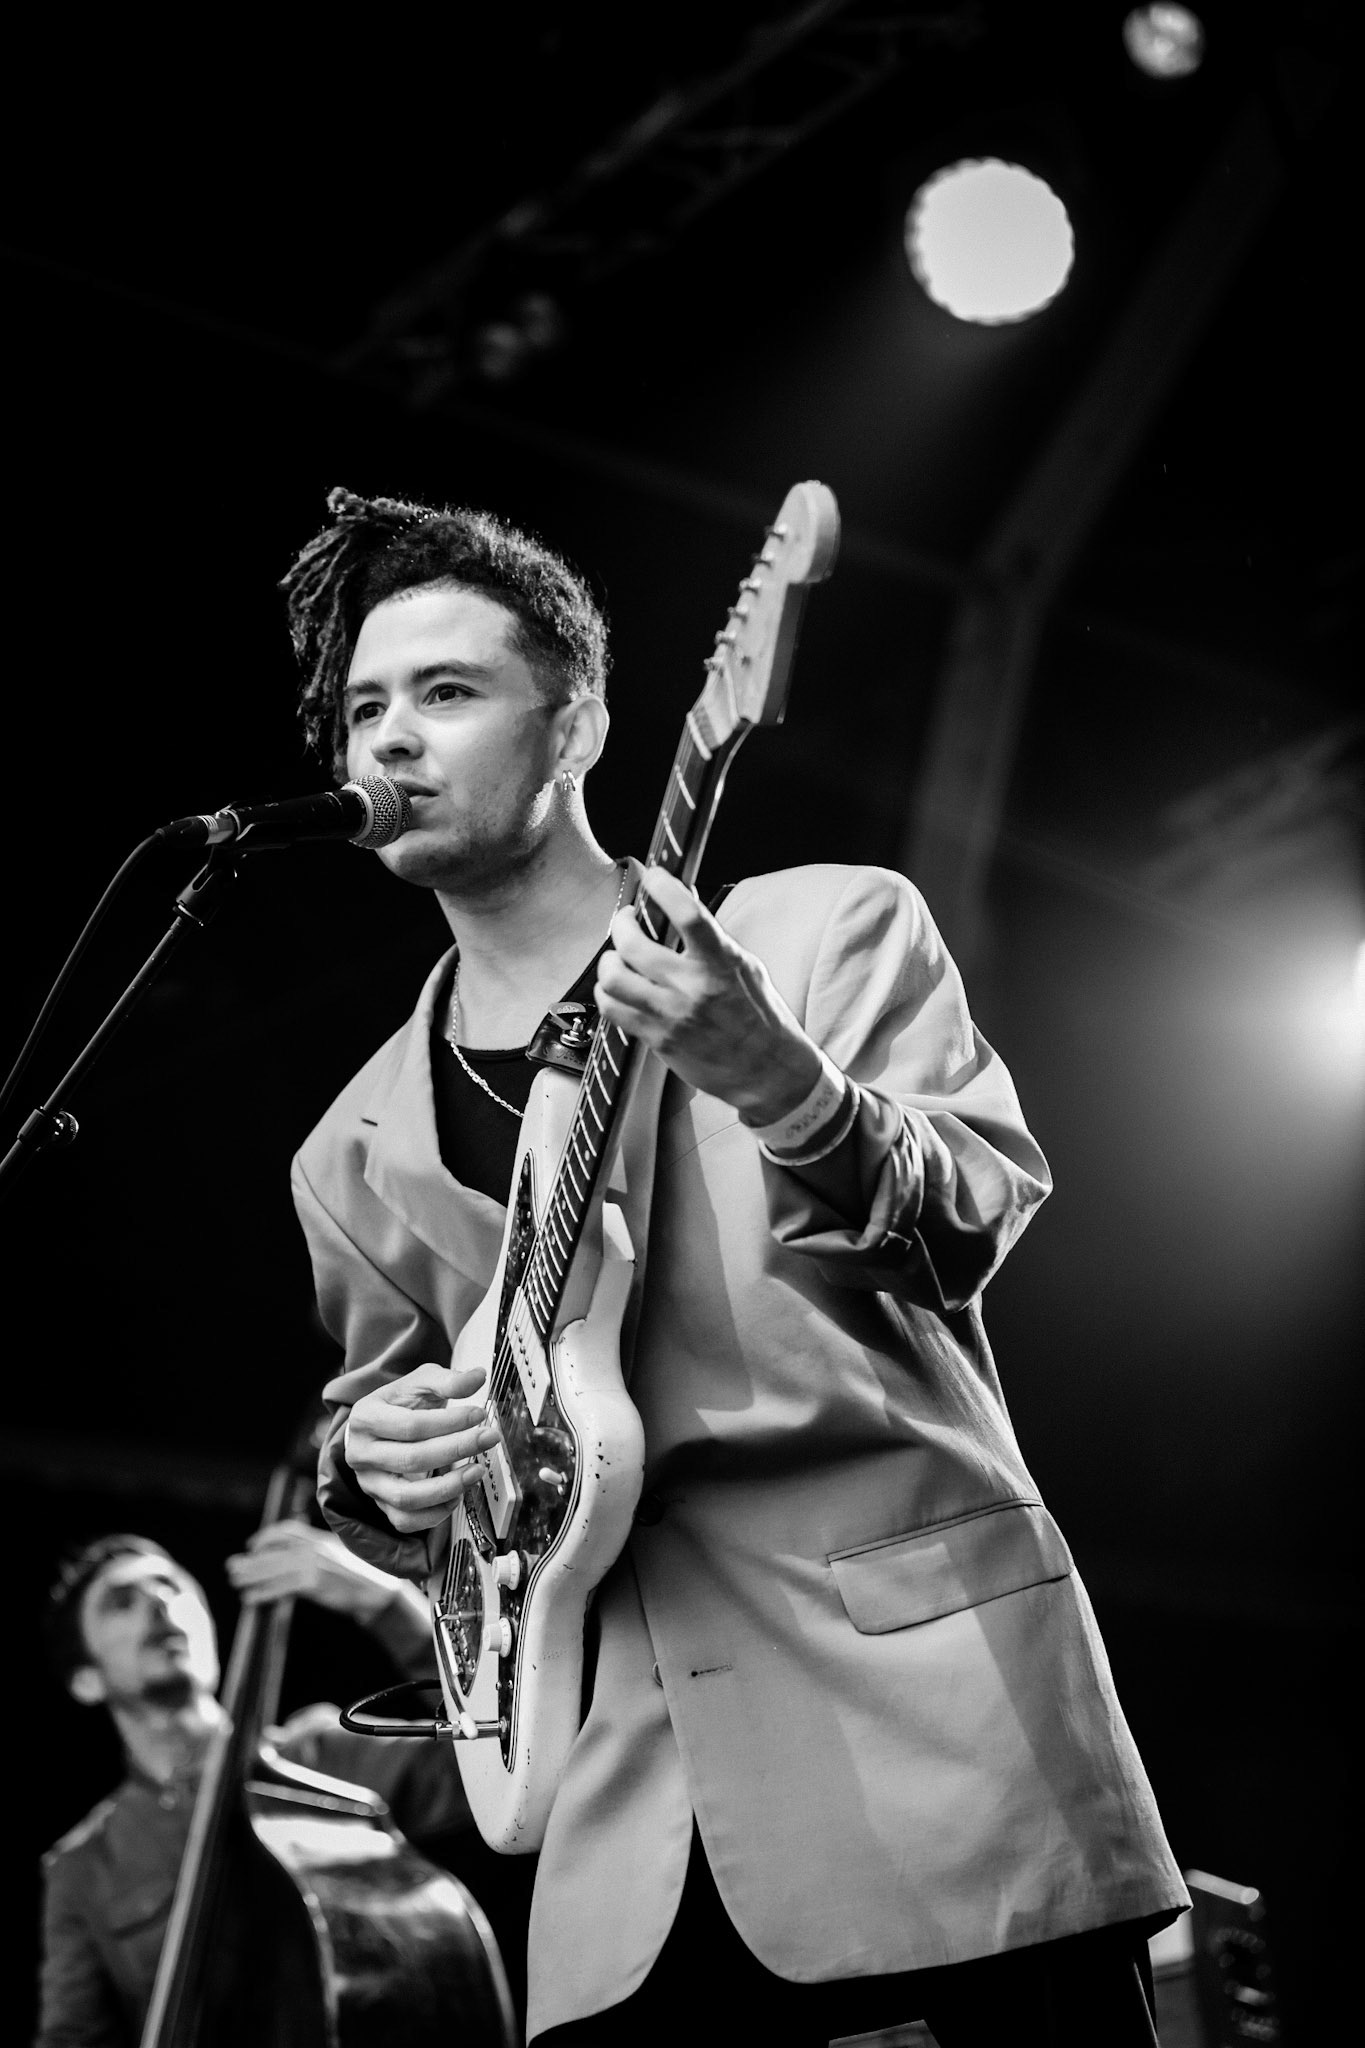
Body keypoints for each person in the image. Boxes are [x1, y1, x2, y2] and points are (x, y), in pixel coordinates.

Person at [282, 487, 1190, 2046]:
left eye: (447, 692)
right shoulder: (347, 1148)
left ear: (579, 724)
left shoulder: (825, 932)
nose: (393, 740)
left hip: (932, 1722)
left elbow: (971, 1214)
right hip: (618, 1805)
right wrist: (370, 1468)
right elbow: (394, 1451)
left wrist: (777, 1079)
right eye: (366, 708)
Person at [35, 1522, 478, 2046]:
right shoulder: (82, 1867)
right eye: (121, 1602)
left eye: (171, 1585)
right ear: (87, 1680)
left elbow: (481, 1758)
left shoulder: (316, 1759)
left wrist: (384, 1603)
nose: (158, 1600)